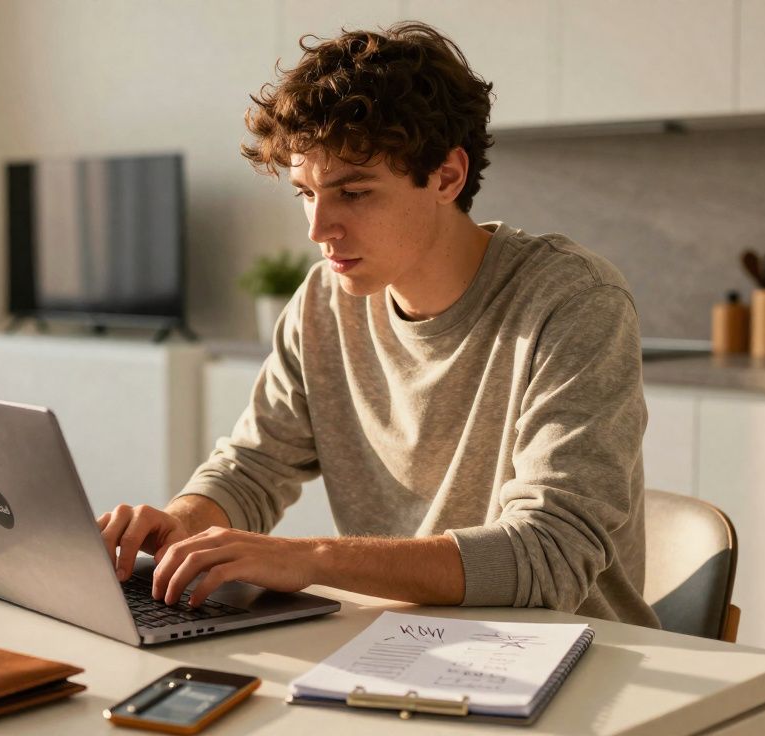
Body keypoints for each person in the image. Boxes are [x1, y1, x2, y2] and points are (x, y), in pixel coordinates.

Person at [97, 22, 659, 628]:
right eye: (305, 193)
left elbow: (549, 556)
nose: (318, 229)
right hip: (398, 642)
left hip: (575, 653)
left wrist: (308, 559)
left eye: (354, 192)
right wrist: (182, 523)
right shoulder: (323, 301)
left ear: (447, 176)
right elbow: (254, 467)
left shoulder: (572, 300)